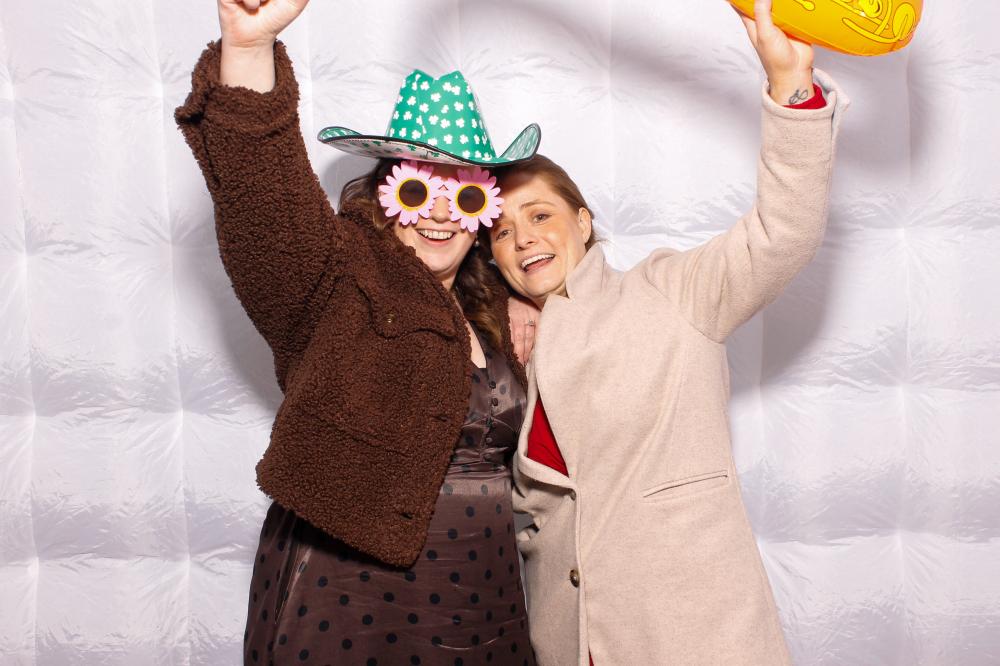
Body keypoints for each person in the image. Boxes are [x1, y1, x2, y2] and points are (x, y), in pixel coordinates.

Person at [480, 1, 848, 664]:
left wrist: (792, 89)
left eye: (539, 215)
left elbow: (782, 235)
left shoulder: (669, 291)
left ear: (584, 222)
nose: (523, 238)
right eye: (502, 232)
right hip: (571, 646)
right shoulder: (505, 358)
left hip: (694, 636)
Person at [175, 1, 541, 663]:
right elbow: (268, 209)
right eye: (416, 190)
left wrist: (536, 303)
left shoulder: (496, 308)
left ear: (484, 210)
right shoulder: (339, 276)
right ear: (383, 195)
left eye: (462, 194)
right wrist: (248, 49)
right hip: (352, 600)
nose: (439, 213)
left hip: (484, 598)